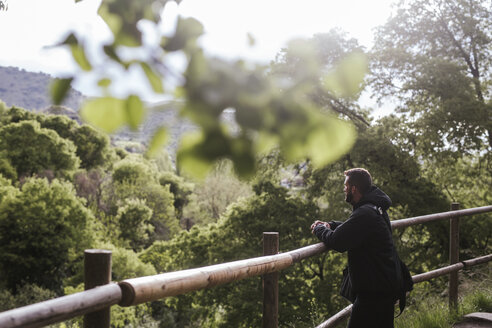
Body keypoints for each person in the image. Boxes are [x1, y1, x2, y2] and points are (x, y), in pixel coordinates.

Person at [311, 168, 400, 328]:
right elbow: (353, 228)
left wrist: (319, 228)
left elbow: (338, 241)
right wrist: (331, 225)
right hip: (384, 286)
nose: (343, 189)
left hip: (374, 293)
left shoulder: (366, 213)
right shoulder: (374, 208)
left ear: (353, 188)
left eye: (345, 186)